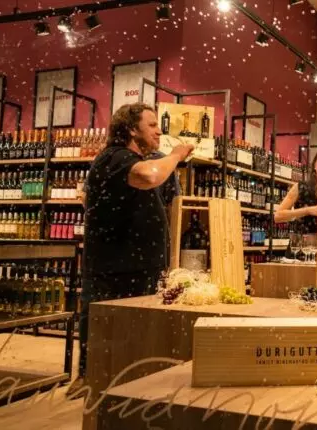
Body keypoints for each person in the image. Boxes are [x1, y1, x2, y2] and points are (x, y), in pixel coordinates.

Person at [76, 103, 194, 388]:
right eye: (151, 125)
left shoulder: (131, 160)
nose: (158, 131)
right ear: (130, 129)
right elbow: (150, 176)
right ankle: (95, 388)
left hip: (136, 269)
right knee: (110, 347)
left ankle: (118, 388)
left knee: (130, 348)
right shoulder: (115, 157)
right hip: (117, 272)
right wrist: (176, 155)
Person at [274, 144, 317, 236]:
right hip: (302, 243)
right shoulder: (301, 187)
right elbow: (278, 216)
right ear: (314, 165)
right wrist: (307, 210)